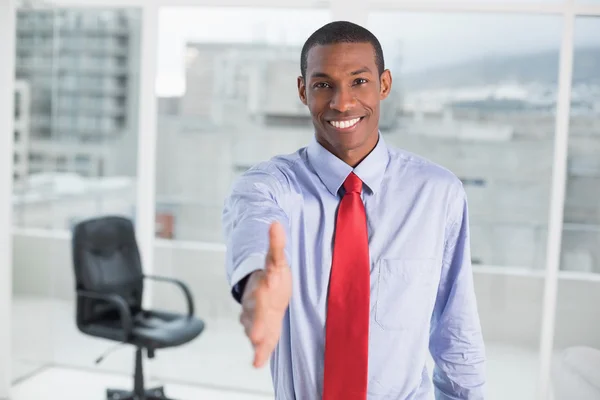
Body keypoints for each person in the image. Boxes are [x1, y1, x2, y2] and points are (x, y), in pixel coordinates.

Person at [222, 20, 486, 400]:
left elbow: (456, 329)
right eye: (323, 84)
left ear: (384, 84)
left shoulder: (437, 193)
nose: (342, 102)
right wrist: (257, 287)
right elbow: (255, 226)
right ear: (303, 90)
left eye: (359, 81)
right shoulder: (270, 185)